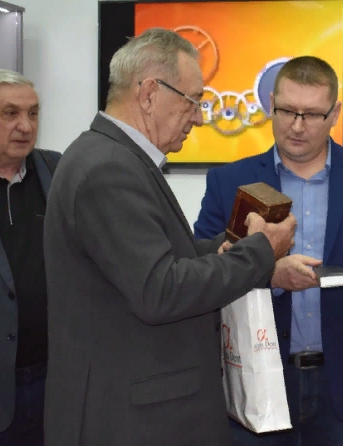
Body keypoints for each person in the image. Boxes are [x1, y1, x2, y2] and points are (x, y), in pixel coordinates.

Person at [42, 28, 295, 446]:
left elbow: (156, 259)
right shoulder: (108, 168)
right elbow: (160, 291)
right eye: (193, 101)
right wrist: (261, 252)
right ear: (148, 94)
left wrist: (225, 249)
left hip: (138, 406)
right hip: (135, 418)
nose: (199, 117)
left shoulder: (112, 157)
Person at [194, 55, 343, 446]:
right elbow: (202, 271)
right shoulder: (229, 180)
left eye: (312, 115)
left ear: (335, 114)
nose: (297, 126)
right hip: (258, 383)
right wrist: (269, 274)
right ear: (271, 105)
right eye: (287, 111)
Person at [0, 69, 59, 446]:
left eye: (33, 113)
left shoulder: (58, 171)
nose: (26, 126)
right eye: (10, 113)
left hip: (54, 379)